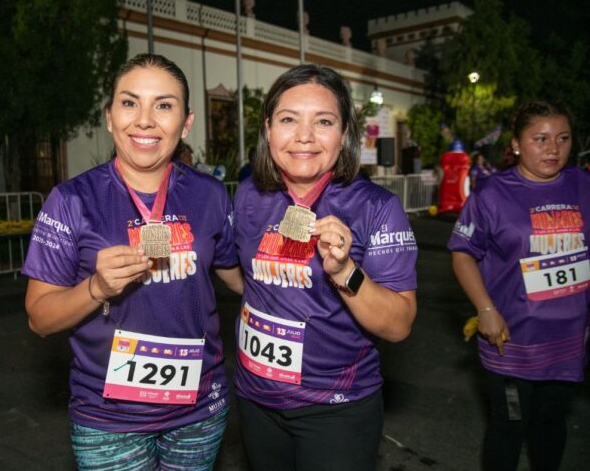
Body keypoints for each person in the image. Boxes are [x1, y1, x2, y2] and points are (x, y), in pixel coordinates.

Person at [23, 53, 243, 470]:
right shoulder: (71, 200)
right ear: (109, 117)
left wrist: (321, 277)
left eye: (163, 105)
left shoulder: (211, 195)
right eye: (129, 103)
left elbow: (237, 277)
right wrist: (96, 288)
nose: (145, 120)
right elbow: (40, 318)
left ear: (187, 122)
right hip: (108, 417)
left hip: (198, 408)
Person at [232, 65, 418, 470]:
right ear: (267, 129)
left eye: (323, 122)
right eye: (288, 119)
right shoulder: (248, 195)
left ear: (345, 133)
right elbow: (237, 273)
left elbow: (399, 324)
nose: (304, 136)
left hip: (336, 407)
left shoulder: (377, 208)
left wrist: (343, 271)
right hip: (255, 397)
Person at [448, 101, 589, 471]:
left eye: (562, 138)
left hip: (569, 337)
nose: (553, 149)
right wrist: (486, 311)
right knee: (509, 426)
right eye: (540, 139)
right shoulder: (493, 193)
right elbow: (462, 254)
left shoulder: (582, 185)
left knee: (551, 424)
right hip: (512, 340)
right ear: (515, 144)